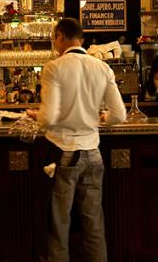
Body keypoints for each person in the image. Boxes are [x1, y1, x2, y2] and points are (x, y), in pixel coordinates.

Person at [27, 18, 126, 262]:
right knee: (94, 220)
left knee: (59, 221)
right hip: (93, 153)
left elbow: (49, 118)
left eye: (54, 39)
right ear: (80, 38)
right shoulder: (102, 67)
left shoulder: (54, 67)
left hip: (64, 152)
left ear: (60, 36)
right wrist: (100, 117)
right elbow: (119, 116)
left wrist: (37, 115)